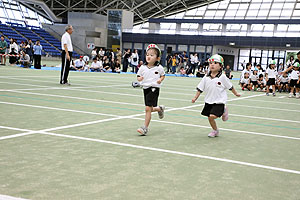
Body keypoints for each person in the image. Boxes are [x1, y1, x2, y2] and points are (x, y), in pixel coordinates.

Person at [191, 54, 240, 138]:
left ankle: (223, 110)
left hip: (219, 101)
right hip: (209, 101)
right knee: (210, 118)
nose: (212, 65)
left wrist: (236, 93)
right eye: (211, 63)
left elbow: (230, 87)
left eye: (215, 63)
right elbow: (200, 88)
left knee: (212, 116)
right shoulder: (206, 77)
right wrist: (195, 97)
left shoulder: (222, 77)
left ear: (221, 66)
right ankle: (215, 130)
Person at [136, 44, 165, 136]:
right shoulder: (142, 67)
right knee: (150, 108)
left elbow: (163, 75)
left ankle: (145, 127)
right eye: (147, 54)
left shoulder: (159, 67)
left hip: (154, 88)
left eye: (152, 55)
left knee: (148, 108)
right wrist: (139, 78)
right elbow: (138, 76)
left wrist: (160, 79)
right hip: (145, 88)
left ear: (157, 58)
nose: (149, 56)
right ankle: (159, 109)